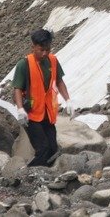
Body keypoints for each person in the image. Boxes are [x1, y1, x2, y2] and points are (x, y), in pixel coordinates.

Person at [12, 28, 70, 168]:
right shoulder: (24, 65)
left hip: (47, 113)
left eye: (47, 49)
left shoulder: (53, 61)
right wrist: (20, 109)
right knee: (43, 148)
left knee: (52, 149)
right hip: (31, 114)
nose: (44, 53)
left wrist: (68, 100)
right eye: (41, 50)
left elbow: (59, 81)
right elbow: (17, 89)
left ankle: (45, 174)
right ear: (33, 47)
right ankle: (28, 173)